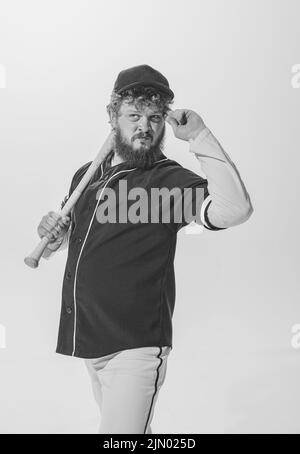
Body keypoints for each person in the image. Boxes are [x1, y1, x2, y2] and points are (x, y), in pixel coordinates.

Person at [37, 64, 253, 434]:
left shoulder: (165, 181)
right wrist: (54, 237)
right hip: (90, 339)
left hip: (134, 345)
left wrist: (199, 135)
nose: (145, 126)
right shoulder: (87, 176)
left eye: (154, 117)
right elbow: (77, 237)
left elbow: (235, 209)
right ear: (113, 117)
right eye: (134, 115)